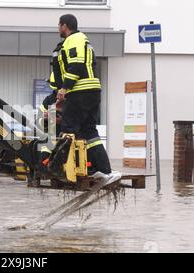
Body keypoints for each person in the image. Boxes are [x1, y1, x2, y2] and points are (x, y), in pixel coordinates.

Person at [54, 14, 120, 183]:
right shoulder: (84, 41)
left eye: (59, 25)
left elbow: (76, 65)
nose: (58, 29)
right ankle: (103, 171)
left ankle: (62, 171)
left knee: (68, 130)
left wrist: (64, 88)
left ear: (65, 25)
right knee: (89, 133)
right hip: (91, 91)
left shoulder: (73, 40)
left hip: (80, 92)